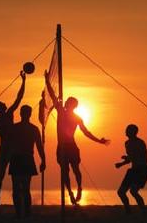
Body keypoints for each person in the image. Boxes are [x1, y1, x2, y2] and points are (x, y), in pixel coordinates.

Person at [45, 71, 110, 205]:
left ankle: (79, 188)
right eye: (67, 102)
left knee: (76, 170)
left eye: (69, 102)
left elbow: (86, 132)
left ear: (72, 105)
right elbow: (52, 96)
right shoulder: (61, 111)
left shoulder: (75, 117)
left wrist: (99, 140)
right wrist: (47, 81)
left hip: (71, 146)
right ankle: (69, 193)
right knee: (65, 172)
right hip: (61, 147)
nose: (66, 103)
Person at [0, 71, 26, 210]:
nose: (5, 105)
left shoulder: (7, 115)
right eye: (2, 105)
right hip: (6, 149)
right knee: (2, 175)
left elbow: (19, 98)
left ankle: (17, 197)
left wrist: (23, 81)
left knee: (15, 175)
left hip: (13, 149)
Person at [9, 105, 46, 218]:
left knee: (21, 188)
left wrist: (44, 160)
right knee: (22, 189)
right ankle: (22, 213)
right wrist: (43, 161)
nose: (25, 114)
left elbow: (39, 146)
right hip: (19, 159)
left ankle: (23, 213)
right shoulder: (19, 128)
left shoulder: (30, 129)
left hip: (23, 159)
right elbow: (39, 147)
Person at [115, 124, 147, 215]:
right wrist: (123, 162)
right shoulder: (127, 143)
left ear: (133, 132)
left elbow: (142, 157)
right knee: (121, 192)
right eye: (126, 130)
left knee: (133, 191)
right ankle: (128, 211)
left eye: (128, 130)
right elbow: (131, 158)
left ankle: (143, 211)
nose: (126, 131)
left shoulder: (140, 143)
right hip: (133, 170)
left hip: (142, 169)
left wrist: (125, 161)